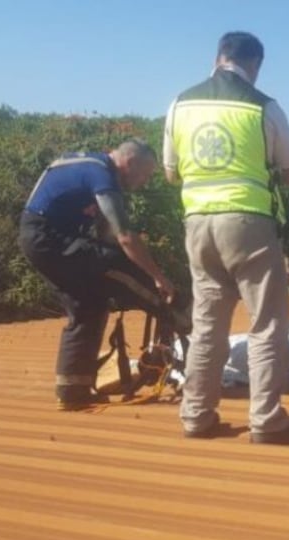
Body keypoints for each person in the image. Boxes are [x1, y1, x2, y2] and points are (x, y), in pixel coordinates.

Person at [163, 31, 289, 444]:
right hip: (248, 224)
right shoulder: (264, 106)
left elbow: (170, 171)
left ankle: (196, 415)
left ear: (217, 58)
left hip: (197, 224)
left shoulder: (179, 103)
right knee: (266, 323)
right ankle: (265, 419)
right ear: (255, 65)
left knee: (207, 325)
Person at [18, 139, 186, 410]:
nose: (144, 181)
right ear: (129, 163)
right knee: (120, 266)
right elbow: (125, 238)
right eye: (145, 174)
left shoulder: (91, 166)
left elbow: (107, 232)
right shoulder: (101, 174)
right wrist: (159, 278)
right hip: (48, 238)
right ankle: (177, 315)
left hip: (40, 238)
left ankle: (73, 390)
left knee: (88, 305)